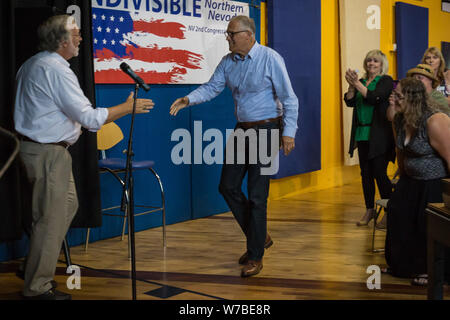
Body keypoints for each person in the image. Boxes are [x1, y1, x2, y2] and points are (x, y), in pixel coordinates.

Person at [14, 15, 155, 300]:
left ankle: (33, 266)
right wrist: (128, 107)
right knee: (51, 219)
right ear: (61, 41)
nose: (81, 38)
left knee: (66, 206)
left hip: (39, 151)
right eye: (75, 33)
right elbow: (89, 119)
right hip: (48, 154)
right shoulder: (55, 69)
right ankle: (36, 287)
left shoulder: (34, 63)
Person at [169, 15, 298, 277]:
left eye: (232, 33)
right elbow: (212, 88)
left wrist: (288, 133)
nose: (227, 37)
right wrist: (188, 99)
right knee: (226, 186)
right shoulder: (228, 62)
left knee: (257, 195)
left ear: (249, 35)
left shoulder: (270, 58)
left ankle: (255, 255)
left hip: (267, 129)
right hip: (243, 130)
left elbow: (289, 98)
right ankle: (258, 236)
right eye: (228, 34)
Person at [384, 77, 450, 285]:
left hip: (434, 183)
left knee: (426, 225)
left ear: (413, 98)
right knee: (396, 212)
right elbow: (400, 151)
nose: (394, 99)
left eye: (398, 96)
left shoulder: (434, 120)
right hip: (411, 179)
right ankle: (402, 265)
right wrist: (401, 178)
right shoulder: (399, 119)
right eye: (394, 95)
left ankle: (430, 270)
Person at [343, 50, 395, 227]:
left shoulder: (386, 81)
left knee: (380, 173)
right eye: (369, 60)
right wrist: (351, 86)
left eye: (376, 61)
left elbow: (374, 98)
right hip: (362, 134)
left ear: (382, 64)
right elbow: (349, 101)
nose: (371, 63)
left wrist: (356, 83)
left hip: (380, 135)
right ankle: (369, 210)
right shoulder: (362, 81)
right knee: (365, 175)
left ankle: (390, 211)